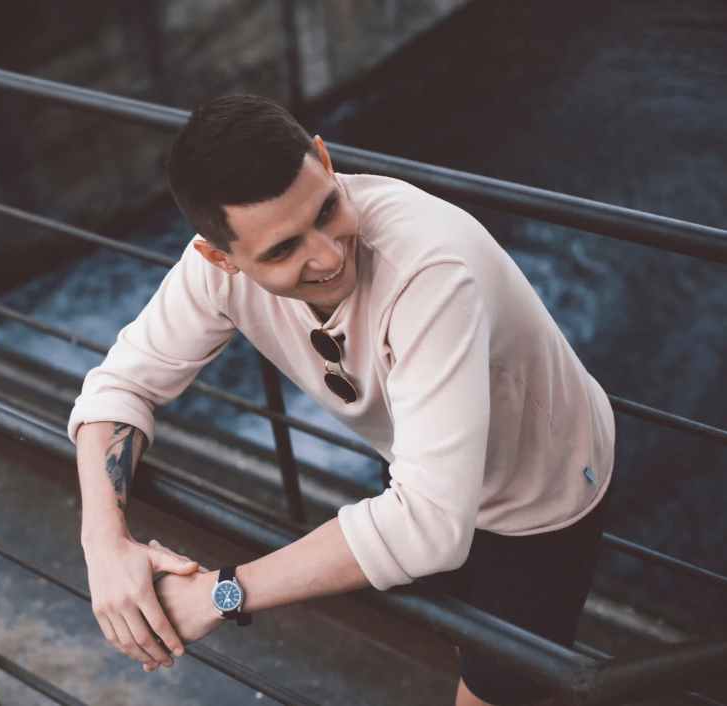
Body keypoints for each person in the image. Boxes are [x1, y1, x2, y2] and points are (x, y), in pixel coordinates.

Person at [68, 94, 615, 706]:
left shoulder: (429, 272)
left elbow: (429, 526)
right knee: (462, 628)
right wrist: (104, 545)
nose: (328, 255)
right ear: (221, 258)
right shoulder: (214, 274)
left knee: (499, 688)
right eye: (283, 249)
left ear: (324, 160)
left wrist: (220, 594)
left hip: (539, 492)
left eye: (327, 208)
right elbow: (120, 385)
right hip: (425, 467)